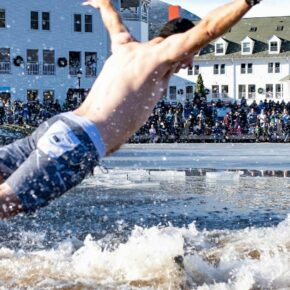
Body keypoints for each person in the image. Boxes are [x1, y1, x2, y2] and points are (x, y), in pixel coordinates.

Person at [0, 0, 262, 218]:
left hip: (59, 126)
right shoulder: (162, 55)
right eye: (193, 52)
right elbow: (207, 29)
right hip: (75, 143)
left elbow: (112, 18)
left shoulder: (125, 46)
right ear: (182, 42)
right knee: (6, 204)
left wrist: (103, 3)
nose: (190, 62)